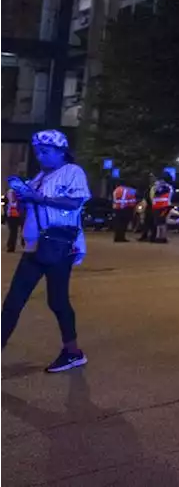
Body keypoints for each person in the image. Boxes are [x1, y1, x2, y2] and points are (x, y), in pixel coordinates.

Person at [0, 130, 90, 372]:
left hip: (59, 245)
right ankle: (71, 352)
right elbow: (33, 204)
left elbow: (75, 202)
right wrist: (22, 196)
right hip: (35, 245)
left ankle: (72, 352)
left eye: (46, 151)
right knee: (14, 301)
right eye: (38, 151)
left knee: (57, 300)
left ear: (62, 152)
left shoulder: (73, 172)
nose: (40, 156)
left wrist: (38, 198)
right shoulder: (40, 176)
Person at [149, 173, 173, 244]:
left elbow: (158, 192)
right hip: (158, 207)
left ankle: (162, 237)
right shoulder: (162, 186)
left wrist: (158, 185)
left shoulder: (167, 187)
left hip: (163, 206)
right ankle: (159, 237)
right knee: (159, 223)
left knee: (161, 223)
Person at [4, 187, 20, 253]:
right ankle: (11, 245)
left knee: (13, 232)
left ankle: (10, 245)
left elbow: (6, 203)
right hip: (14, 215)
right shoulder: (18, 192)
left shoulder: (10, 192)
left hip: (12, 215)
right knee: (14, 232)